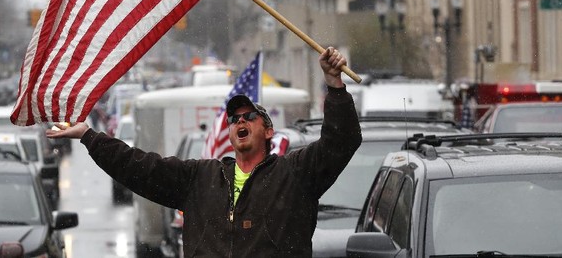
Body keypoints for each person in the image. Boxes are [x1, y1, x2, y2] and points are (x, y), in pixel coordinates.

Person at [47, 47, 362, 257]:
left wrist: (334, 84)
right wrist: (90, 136)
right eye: (234, 119)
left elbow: (341, 142)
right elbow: (138, 168)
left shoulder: (294, 174)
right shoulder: (200, 177)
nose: (240, 121)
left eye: (249, 117)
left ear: (268, 131)